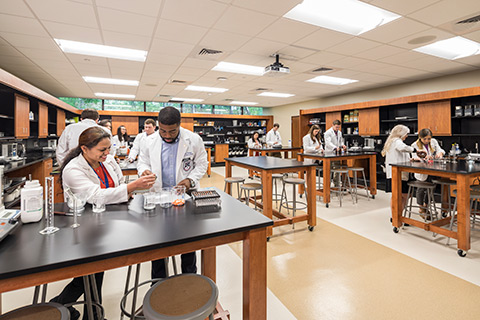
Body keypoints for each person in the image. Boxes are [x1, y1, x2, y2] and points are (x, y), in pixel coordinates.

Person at [51, 127, 156, 320]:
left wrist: (129, 189)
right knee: (91, 272)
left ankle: (79, 311)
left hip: (107, 222)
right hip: (84, 226)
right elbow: (95, 195)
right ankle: (67, 309)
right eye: (102, 150)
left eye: (108, 149)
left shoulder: (106, 161)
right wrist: (132, 187)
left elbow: (117, 183)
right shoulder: (73, 169)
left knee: (93, 272)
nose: (107, 154)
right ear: (84, 148)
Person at [137, 107, 208, 280]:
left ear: (179, 125)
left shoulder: (193, 139)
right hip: (158, 197)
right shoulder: (149, 140)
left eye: (172, 131)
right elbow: (142, 161)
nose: (167, 135)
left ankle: (189, 281)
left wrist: (190, 180)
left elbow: (202, 164)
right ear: (158, 126)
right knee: (158, 245)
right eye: (163, 131)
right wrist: (144, 171)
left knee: (188, 243)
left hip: (184, 197)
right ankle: (158, 285)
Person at [382, 124, 416, 214]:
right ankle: (397, 217)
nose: (407, 136)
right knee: (403, 195)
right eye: (406, 134)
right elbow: (402, 148)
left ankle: (396, 216)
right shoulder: (397, 141)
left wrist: (410, 159)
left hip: (394, 173)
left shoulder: (392, 141)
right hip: (399, 174)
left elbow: (398, 155)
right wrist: (415, 150)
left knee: (397, 195)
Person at [411, 128, 445, 216]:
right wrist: (422, 158)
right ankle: (421, 208)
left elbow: (440, 150)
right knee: (421, 189)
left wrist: (440, 153)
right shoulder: (414, 145)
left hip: (432, 169)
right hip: (421, 170)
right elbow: (414, 157)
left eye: (428, 139)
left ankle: (426, 206)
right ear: (420, 138)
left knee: (431, 188)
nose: (427, 141)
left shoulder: (433, 142)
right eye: (424, 139)